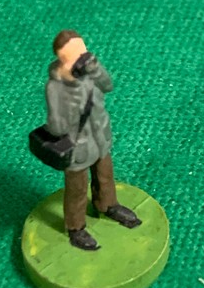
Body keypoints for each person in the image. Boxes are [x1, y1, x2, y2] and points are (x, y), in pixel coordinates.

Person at [45, 30, 141, 250]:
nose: (82, 56)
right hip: (77, 148)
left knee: (105, 176)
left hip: (99, 139)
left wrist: (96, 69)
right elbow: (56, 127)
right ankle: (76, 228)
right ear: (63, 58)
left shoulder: (89, 73)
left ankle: (108, 205)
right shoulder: (56, 87)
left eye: (83, 50)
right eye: (75, 54)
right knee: (77, 190)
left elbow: (108, 86)